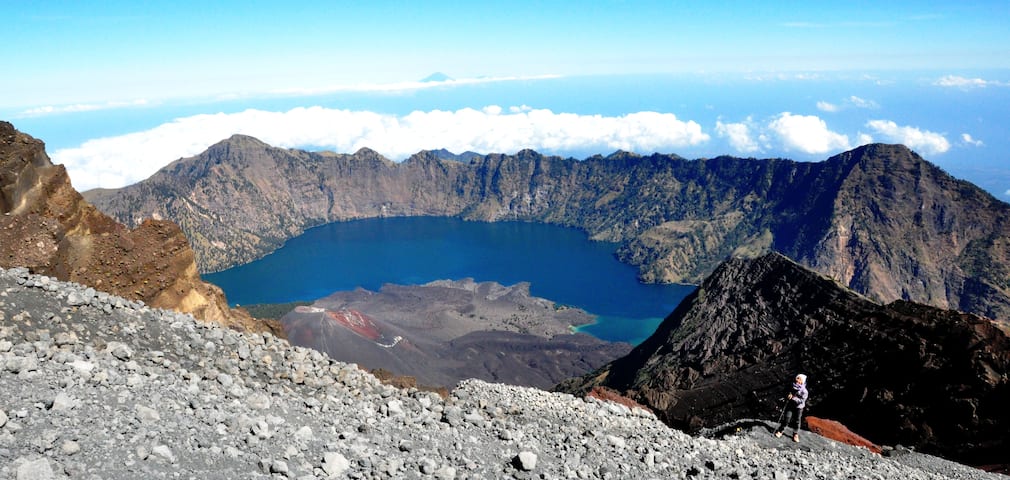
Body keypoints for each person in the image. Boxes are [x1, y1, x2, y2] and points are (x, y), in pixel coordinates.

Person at [774, 373, 808, 442]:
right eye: (797, 378)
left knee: (797, 421)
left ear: (803, 381)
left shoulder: (804, 391)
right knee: (787, 418)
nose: (798, 380)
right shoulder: (792, 386)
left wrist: (793, 398)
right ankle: (780, 430)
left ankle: (795, 434)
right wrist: (788, 395)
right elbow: (786, 391)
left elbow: (801, 401)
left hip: (799, 408)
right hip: (790, 405)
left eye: (800, 379)